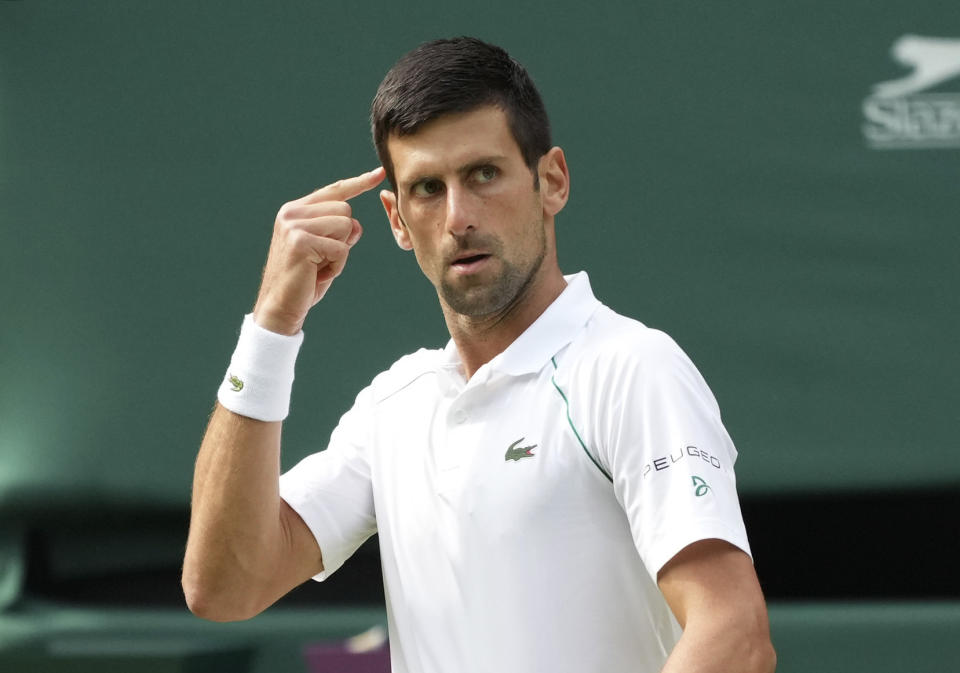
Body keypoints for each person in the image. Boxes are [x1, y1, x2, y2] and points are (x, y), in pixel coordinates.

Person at [182, 37, 776, 673]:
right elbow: (223, 586)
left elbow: (733, 634)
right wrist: (272, 324)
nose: (458, 216)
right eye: (428, 189)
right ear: (397, 221)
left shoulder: (631, 368)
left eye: (483, 174)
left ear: (551, 181)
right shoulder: (394, 406)